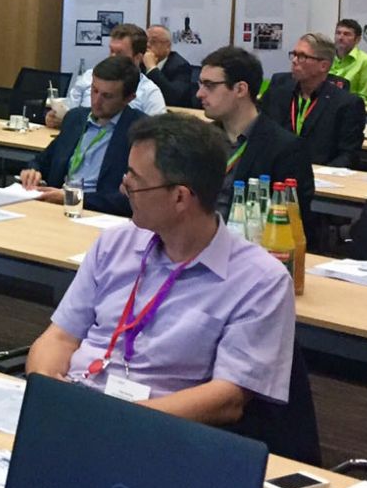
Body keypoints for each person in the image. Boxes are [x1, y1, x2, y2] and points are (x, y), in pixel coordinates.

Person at [23, 114, 295, 424]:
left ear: (180, 197)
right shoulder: (115, 243)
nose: (124, 189)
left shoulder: (259, 280)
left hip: (154, 427)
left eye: (135, 182)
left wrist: (113, 419)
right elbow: (59, 337)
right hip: (72, 406)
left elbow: (228, 398)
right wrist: (45, 388)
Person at [196, 46, 313, 224]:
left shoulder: (285, 148)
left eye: (209, 86)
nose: (199, 94)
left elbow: (291, 221)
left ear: (240, 89)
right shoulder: (200, 140)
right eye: (200, 84)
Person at [20, 56, 146, 216]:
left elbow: (133, 198)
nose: (96, 101)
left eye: (107, 96)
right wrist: (32, 171)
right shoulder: (75, 118)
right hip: (56, 207)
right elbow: (41, 161)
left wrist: (73, 198)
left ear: (129, 98)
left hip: (98, 214)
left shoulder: (141, 132)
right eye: (94, 90)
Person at [259, 33, 365, 168]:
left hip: (320, 173)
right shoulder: (277, 94)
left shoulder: (347, 104)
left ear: (324, 66)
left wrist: (320, 173)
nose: (294, 60)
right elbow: (260, 137)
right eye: (294, 54)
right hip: (276, 171)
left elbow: (349, 155)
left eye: (302, 56)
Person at [59, 23, 167, 121]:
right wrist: (59, 118)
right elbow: (69, 113)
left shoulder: (149, 92)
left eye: (119, 53)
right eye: (111, 51)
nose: (112, 57)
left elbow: (159, 132)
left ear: (137, 58)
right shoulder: (90, 77)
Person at [142, 24, 194, 109]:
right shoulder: (139, 61)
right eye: (145, 41)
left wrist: (152, 68)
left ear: (168, 46)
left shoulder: (181, 66)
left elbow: (173, 97)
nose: (147, 45)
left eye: (153, 41)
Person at [329, 18, 367, 101]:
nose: (340, 37)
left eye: (347, 34)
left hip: (348, 106)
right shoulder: (326, 57)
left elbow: (363, 98)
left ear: (357, 39)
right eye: (338, 33)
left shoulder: (366, 62)